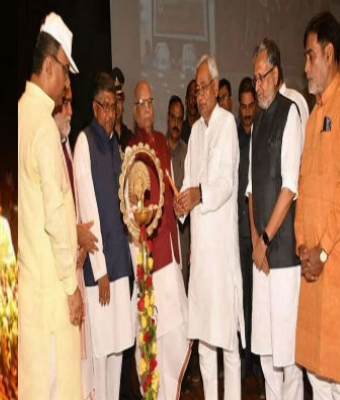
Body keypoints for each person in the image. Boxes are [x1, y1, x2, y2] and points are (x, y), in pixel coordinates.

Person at [18, 11, 83, 400]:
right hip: (51, 297)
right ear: (48, 67)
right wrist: (72, 288)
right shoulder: (42, 126)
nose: (66, 83)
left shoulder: (23, 113)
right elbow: (56, 217)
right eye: (65, 72)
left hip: (34, 293)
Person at [174, 55, 244, 400]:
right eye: (196, 90)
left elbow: (225, 184)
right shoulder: (196, 133)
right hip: (201, 256)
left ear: (216, 88)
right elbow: (187, 182)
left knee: (227, 342)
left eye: (204, 88)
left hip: (221, 254)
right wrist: (180, 205)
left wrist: (197, 194)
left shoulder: (227, 124)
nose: (200, 95)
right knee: (204, 342)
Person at [247, 38, 304, 400]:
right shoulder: (256, 123)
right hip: (262, 257)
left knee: (289, 357)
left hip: (282, 257)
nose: (257, 85)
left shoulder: (290, 113)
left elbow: (289, 188)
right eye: (254, 78)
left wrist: (266, 240)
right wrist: (256, 240)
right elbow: (251, 190)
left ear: (276, 73)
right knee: (267, 354)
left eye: (261, 77)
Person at [73, 71, 134, 400]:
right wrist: (101, 271)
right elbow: (88, 211)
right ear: (95, 107)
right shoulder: (85, 143)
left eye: (115, 106)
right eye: (106, 106)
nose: (111, 113)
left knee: (118, 349)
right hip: (101, 273)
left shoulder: (115, 147)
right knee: (99, 356)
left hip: (120, 264)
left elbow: (121, 206)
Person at [128, 81, 191, 400]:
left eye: (151, 102)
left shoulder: (163, 144)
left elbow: (171, 187)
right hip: (151, 260)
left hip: (171, 253)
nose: (148, 108)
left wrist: (180, 208)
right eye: (142, 103)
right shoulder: (132, 150)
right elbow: (132, 210)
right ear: (135, 110)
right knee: (154, 340)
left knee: (176, 333)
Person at [295, 11, 340, 394]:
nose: (306, 66)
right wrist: (302, 245)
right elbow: (304, 184)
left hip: (335, 268)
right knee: (315, 375)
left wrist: (323, 251)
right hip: (311, 268)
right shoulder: (314, 117)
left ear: (330, 54)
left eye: (311, 56)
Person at [52, 82, 98, 400]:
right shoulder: (48, 148)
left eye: (70, 103)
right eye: (64, 103)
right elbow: (52, 215)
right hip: (58, 277)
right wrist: (75, 234)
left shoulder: (65, 145)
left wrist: (80, 242)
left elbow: (74, 205)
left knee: (80, 363)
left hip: (75, 266)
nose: (70, 110)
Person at [236, 76, 265, 394]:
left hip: (258, 235)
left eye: (249, 106)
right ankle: (245, 361)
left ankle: (258, 362)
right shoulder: (233, 137)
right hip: (238, 234)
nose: (246, 112)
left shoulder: (262, 133)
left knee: (258, 301)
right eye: (242, 106)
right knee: (242, 302)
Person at [166, 95, 190, 291]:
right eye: (173, 118)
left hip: (183, 234)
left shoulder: (188, 152)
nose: (176, 124)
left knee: (183, 289)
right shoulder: (158, 150)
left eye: (179, 119)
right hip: (164, 233)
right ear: (167, 119)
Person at [110, 67, 134, 151]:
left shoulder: (129, 135)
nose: (117, 106)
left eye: (119, 100)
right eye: (114, 101)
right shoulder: (105, 134)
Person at [181, 79, 200, 144]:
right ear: (186, 100)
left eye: (196, 95)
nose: (193, 99)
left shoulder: (205, 128)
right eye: (191, 95)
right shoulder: (180, 129)